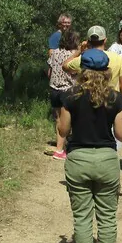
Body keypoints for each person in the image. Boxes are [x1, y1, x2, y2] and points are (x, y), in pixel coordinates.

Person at [58, 49, 122, 243]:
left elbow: (63, 131)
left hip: (78, 160)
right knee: (106, 218)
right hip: (106, 160)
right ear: (107, 72)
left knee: (82, 218)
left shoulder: (70, 96)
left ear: (82, 70)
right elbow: (121, 135)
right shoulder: (115, 98)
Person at [63, 25, 122, 113]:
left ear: (88, 41)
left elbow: (65, 66)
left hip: (87, 105)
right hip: (110, 103)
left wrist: (79, 51)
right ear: (105, 40)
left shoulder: (84, 58)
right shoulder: (118, 58)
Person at [46, 30, 80, 160]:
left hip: (54, 89)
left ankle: (59, 149)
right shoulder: (74, 55)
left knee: (58, 119)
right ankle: (68, 146)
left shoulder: (54, 53)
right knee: (70, 120)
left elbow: (49, 71)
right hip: (68, 90)